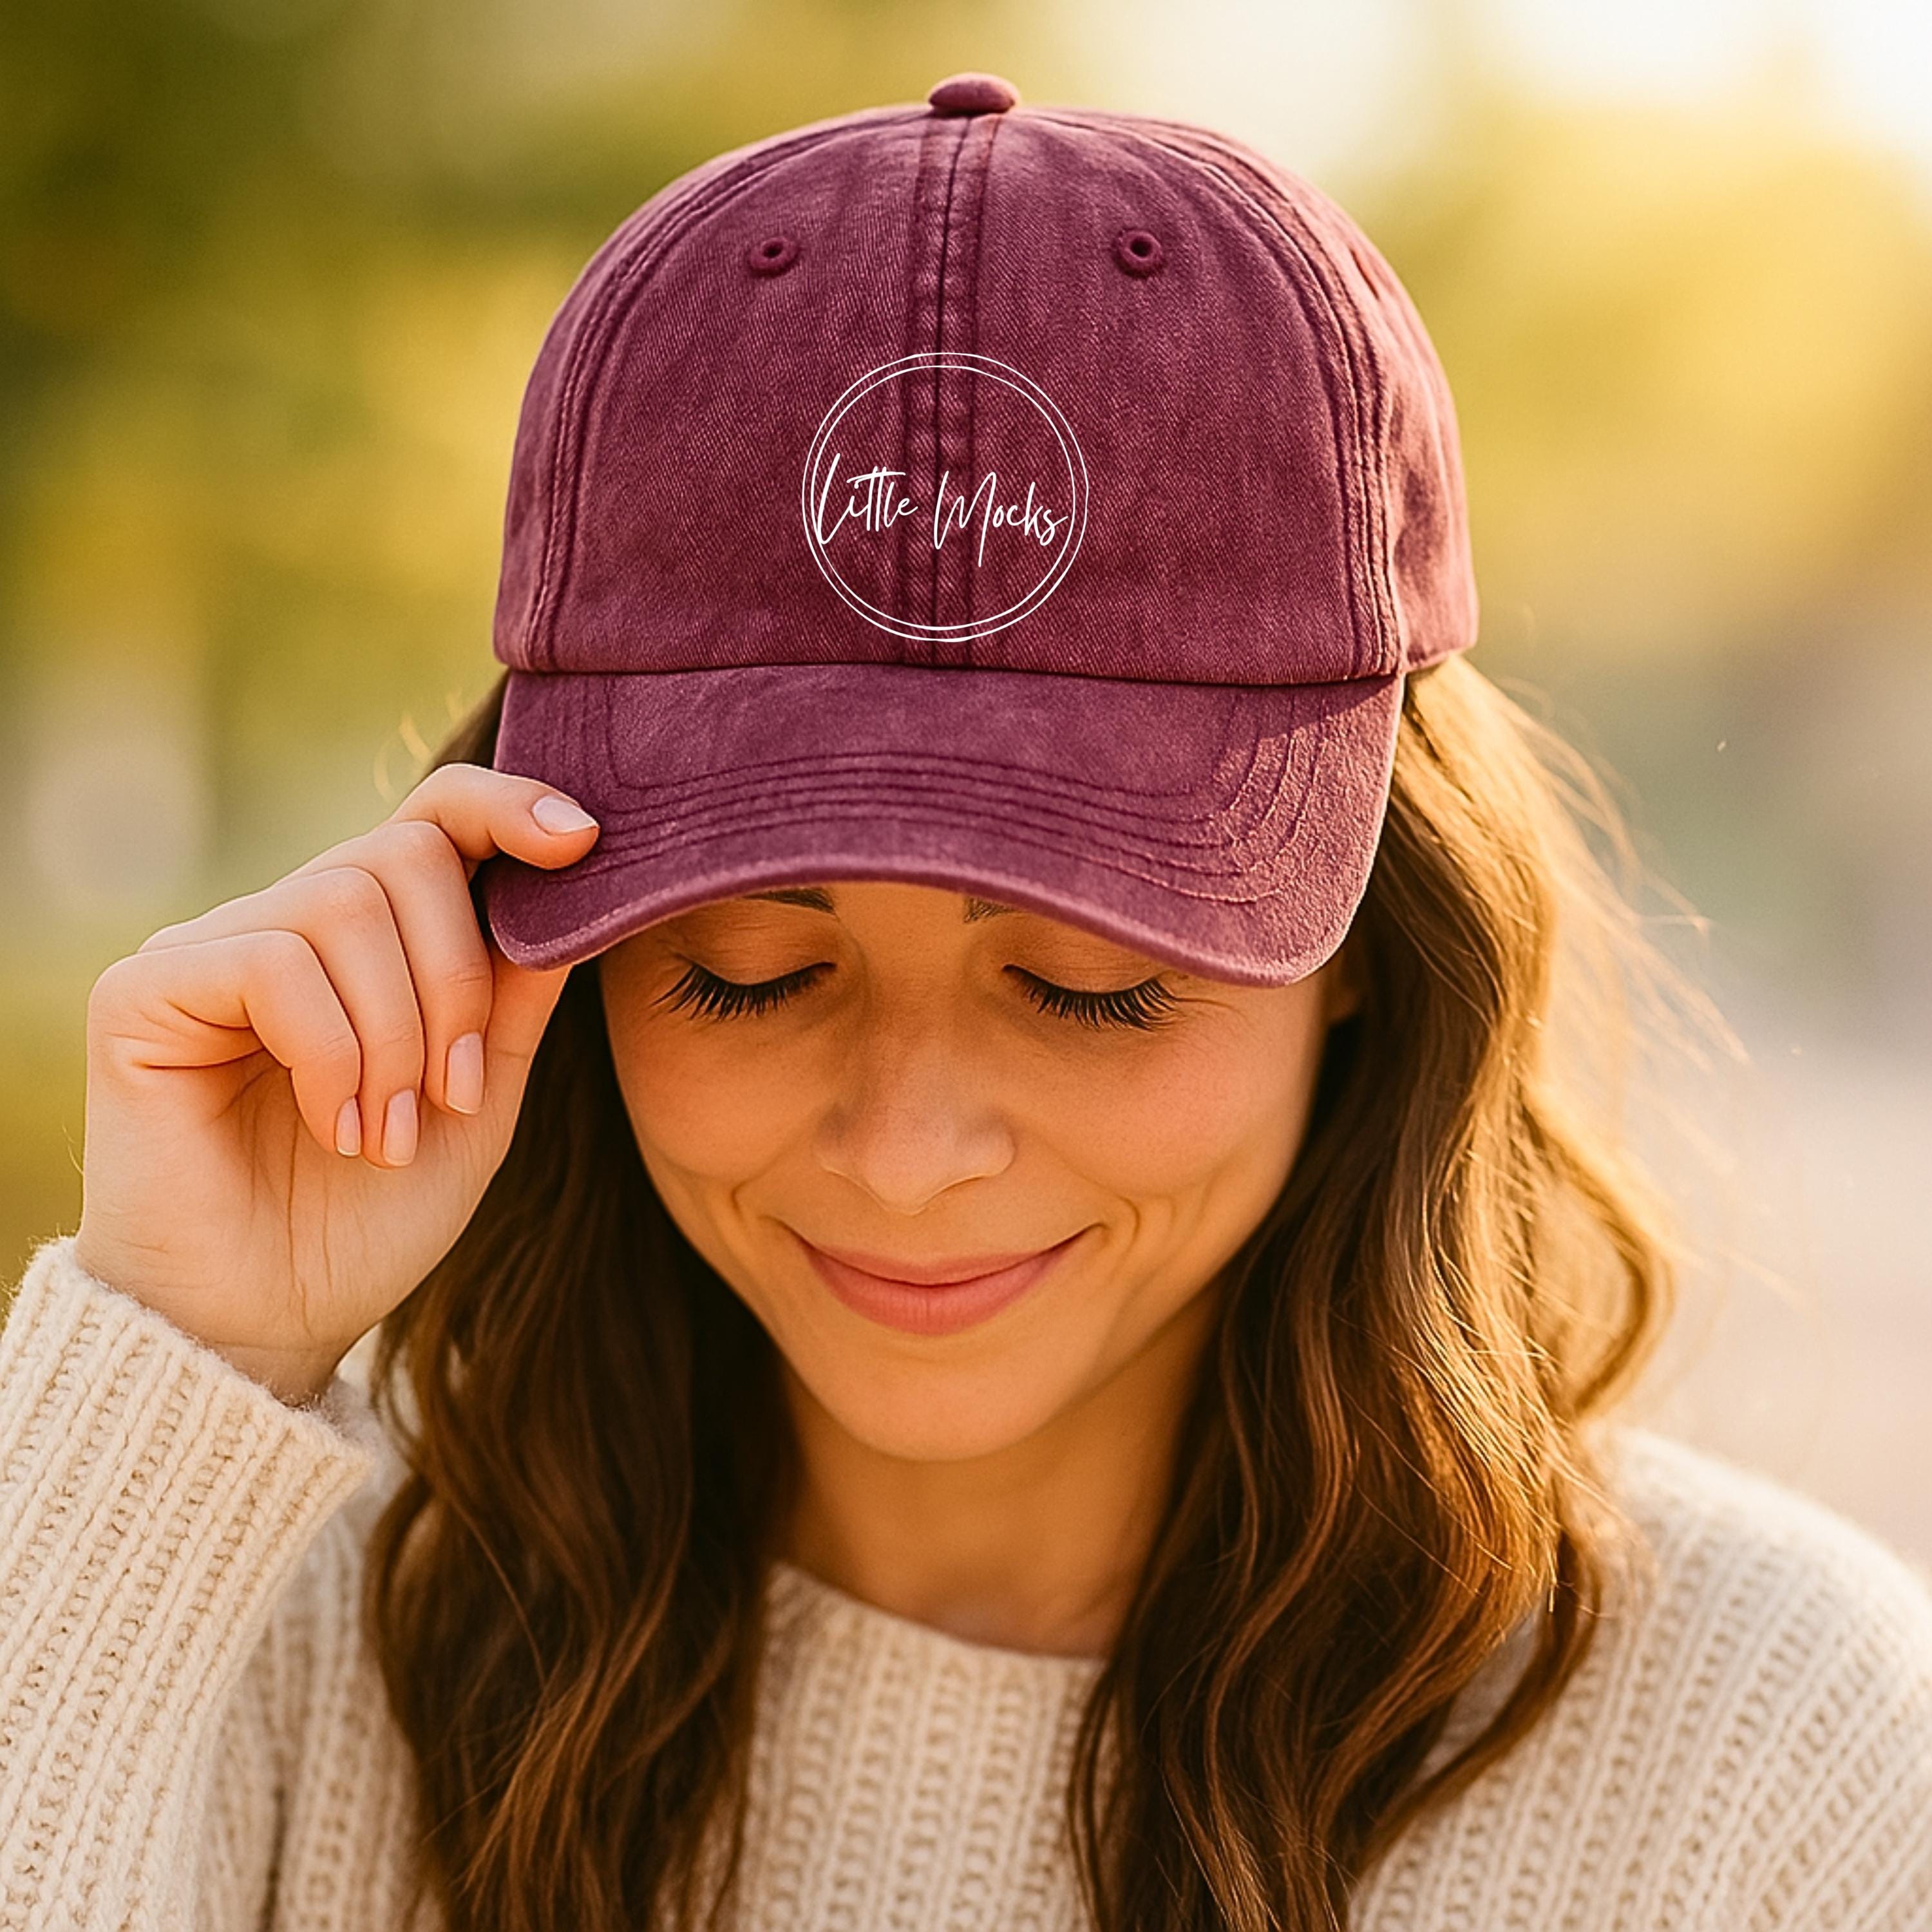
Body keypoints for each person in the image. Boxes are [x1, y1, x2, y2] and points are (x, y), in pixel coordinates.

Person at [2, 69, 1929, 1932]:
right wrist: (172, 1367)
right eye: (748, 971)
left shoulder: (1781, 1768)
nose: (910, 1153)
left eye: (1093, 986)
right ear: (549, 939)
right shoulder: (235, 1619)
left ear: (1365, 952)